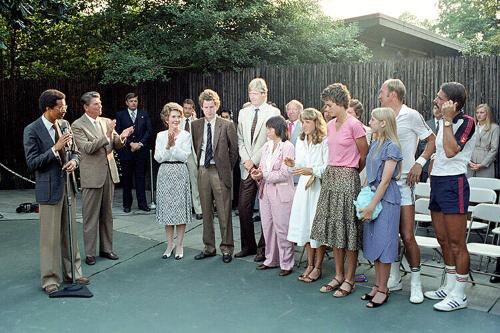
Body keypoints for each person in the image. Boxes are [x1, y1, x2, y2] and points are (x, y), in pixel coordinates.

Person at [23, 89, 89, 295]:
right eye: (60, 106)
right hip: (49, 189)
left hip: (67, 187)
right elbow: (32, 162)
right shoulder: (32, 130)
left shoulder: (65, 124)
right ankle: (50, 279)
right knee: (50, 237)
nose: (65, 109)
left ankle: (73, 273)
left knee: (70, 232)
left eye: (65, 105)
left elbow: (76, 152)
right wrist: (54, 148)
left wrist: (73, 162)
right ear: (48, 109)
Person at [379, 78, 435, 304]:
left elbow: (431, 141)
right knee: (389, 234)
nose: (379, 95)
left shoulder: (411, 115)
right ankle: (394, 277)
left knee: (408, 235)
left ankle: (416, 283)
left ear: (393, 94)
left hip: (404, 184)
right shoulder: (383, 116)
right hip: (384, 185)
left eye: (382, 91)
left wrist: (419, 163)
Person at [310, 83, 368, 298]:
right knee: (334, 231)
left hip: (347, 179)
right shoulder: (331, 124)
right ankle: (338, 275)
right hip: (330, 177)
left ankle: (350, 279)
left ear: (341, 103)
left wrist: (350, 172)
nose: (327, 109)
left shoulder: (355, 125)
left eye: (329, 105)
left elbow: (364, 155)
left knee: (348, 232)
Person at [424, 82, 476, 311]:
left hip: (455, 183)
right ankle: (450, 286)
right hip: (437, 183)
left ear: (452, 103)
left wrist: (446, 120)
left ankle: (460, 295)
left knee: (457, 243)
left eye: (440, 98)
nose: (436, 100)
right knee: (443, 240)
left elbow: (451, 150)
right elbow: (437, 153)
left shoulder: (467, 122)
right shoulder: (441, 121)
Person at [72, 91, 134, 265]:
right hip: (91, 176)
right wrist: (106, 135)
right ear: (86, 107)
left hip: (108, 173)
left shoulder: (106, 121)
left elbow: (116, 144)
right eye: (96, 104)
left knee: (107, 215)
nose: (100, 106)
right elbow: (87, 148)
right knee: (90, 216)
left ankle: (107, 249)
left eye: (100, 103)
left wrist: (123, 136)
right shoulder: (77, 125)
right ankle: (90, 253)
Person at [359, 107, 403, 308]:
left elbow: (385, 181)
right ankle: (378, 285)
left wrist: (371, 205)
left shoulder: (392, 146)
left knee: (385, 243)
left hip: (386, 200)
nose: (370, 121)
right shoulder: (376, 142)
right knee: (374, 243)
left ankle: (384, 289)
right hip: (373, 197)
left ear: (384, 122)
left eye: (373, 119)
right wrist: (364, 199)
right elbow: (369, 174)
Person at [235, 78, 281, 262]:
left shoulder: (273, 112)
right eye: (250, 93)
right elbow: (240, 139)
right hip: (246, 167)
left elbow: (272, 140)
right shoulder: (243, 113)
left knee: (266, 211)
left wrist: (254, 161)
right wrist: (247, 160)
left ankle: (264, 248)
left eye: (256, 93)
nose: (252, 96)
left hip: (264, 167)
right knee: (244, 208)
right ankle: (248, 246)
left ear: (264, 94)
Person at [192, 89, 238, 264]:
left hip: (219, 171)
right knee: (206, 211)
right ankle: (209, 248)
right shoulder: (196, 125)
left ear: (216, 106)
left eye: (212, 106)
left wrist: (225, 168)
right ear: (201, 107)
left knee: (224, 211)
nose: (209, 110)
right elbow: (197, 147)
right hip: (203, 170)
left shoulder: (226, 124)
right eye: (206, 107)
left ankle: (227, 248)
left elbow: (234, 151)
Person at [285, 108, 328, 283]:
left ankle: (318, 267)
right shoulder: (301, 140)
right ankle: (309, 265)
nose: (304, 125)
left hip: (318, 186)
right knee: (306, 226)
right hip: (304, 187)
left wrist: (312, 170)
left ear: (316, 123)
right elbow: (301, 165)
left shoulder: (325, 141)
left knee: (316, 226)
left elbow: (328, 167)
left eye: (308, 122)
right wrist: (293, 164)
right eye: (303, 122)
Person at [251, 116, 295, 276]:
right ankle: (271, 259)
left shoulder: (288, 147)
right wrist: (257, 174)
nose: (267, 131)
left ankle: (287, 263)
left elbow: (285, 173)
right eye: (267, 128)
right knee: (268, 227)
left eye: (270, 128)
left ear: (278, 129)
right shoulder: (266, 146)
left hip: (281, 192)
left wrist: (265, 174)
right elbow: (262, 167)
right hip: (265, 191)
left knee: (282, 228)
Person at [154, 102, 192, 260]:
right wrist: (167, 146)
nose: (176, 119)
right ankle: (169, 244)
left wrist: (173, 145)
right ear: (166, 118)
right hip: (165, 173)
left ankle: (180, 244)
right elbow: (159, 158)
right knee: (168, 211)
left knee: (179, 212)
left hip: (180, 172)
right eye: (173, 116)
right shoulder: (160, 135)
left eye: (179, 116)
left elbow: (184, 156)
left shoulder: (185, 135)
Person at [115, 93, 153, 213]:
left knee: (140, 178)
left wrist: (140, 144)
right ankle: (127, 204)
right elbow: (118, 132)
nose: (133, 103)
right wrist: (130, 144)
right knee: (127, 179)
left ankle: (142, 204)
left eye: (135, 101)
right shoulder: (120, 115)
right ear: (126, 102)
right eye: (131, 101)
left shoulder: (144, 114)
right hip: (126, 152)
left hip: (141, 152)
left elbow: (149, 131)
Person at [180, 98, 203, 220]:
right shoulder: (178, 121)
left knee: (195, 182)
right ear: (182, 108)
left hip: (192, 155)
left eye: (190, 108)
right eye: (185, 108)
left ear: (193, 109)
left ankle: (198, 209)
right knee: (181, 183)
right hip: (180, 155)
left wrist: (195, 119)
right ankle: (183, 208)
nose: (187, 111)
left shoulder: (197, 122)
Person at [468, 104, 499, 178]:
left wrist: (482, 164)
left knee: (484, 187)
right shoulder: (471, 127)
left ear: (487, 114)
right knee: (470, 187)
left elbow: (494, 149)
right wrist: (468, 161)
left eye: (482, 112)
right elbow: (466, 146)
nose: (479, 115)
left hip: (485, 165)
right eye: (477, 112)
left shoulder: (494, 128)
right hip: (470, 164)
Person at [418, 105, 442, 182]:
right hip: (427, 163)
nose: (437, 111)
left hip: (442, 164)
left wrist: (439, 153)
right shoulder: (426, 124)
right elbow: (422, 143)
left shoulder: (448, 125)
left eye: (439, 109)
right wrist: (431, 152)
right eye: (435, 108)